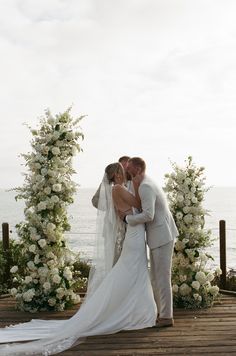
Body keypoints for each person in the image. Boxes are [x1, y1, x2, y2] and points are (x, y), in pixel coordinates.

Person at [0, 162, 157, 355]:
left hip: (134, 233)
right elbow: (140, 204)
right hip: (134, 234)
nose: (125, 174)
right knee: (132, 271)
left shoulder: (117, 188)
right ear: (117, 174)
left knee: (133, 272)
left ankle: (134, 308)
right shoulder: (118, 188)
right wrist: (144, 185)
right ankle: (132, 310)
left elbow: (127, 209)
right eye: (122, 171)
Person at [119, 157, 179, 328]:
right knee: (156, 277)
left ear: (138, 169)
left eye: (129, 169)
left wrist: (127, 218)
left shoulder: (146, 186)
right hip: (159, 235)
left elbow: (148, 215)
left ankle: (167, 317)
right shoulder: (144, 182)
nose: (127, 172)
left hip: (162, 236)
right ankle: (160, 313)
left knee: (162, 277)